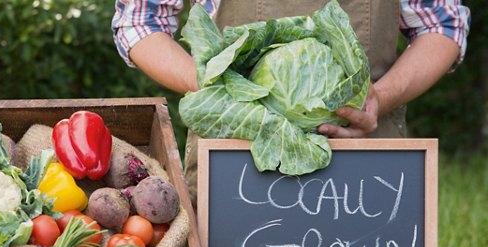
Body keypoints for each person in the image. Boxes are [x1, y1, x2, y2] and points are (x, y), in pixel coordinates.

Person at [112, 0, 470, 202]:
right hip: (234, 167)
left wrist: (383, 97)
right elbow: (139, 20)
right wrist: (223, 90)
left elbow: (442, 26)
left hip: (366, 172)